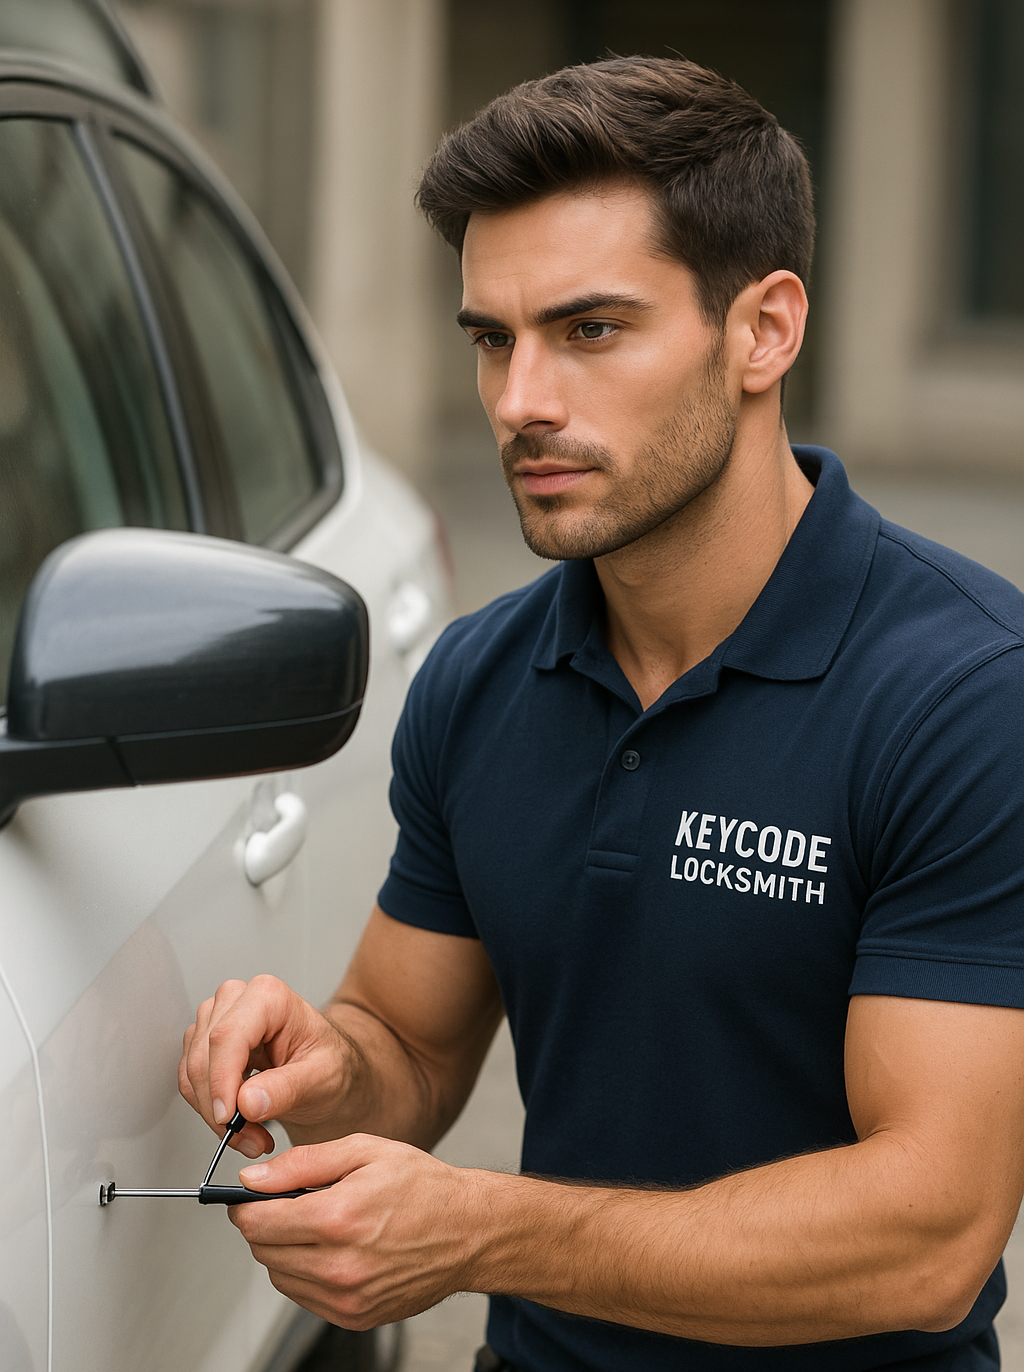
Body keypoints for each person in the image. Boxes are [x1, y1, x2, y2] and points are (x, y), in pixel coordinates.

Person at [178, 57, 1024, 1372]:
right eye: (491, 340)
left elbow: (930, 1235)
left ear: (765, 331)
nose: (521, 401)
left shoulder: (968, 693)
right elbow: (408, 1041)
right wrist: (324, 1066)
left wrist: (485, 1234)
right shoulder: (478, 680)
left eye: (589, 330)